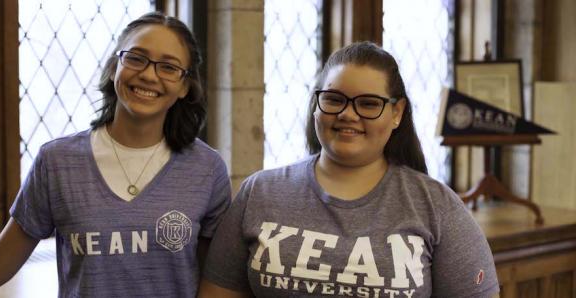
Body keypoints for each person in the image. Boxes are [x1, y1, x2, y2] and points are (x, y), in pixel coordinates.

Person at [0, 12, 231, 298]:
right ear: (114, 67)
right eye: (136, 57)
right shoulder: (57, 162)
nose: (148, 74)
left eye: (168, 67)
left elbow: (218, 284)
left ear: (184, 86)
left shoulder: (207, 169)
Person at [199, 41, 499, 298]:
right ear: (316, 105)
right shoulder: (260, 193)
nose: (347, 114)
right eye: (334, 99)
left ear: (397, 113)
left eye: (368, 104)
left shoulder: (436, 206)